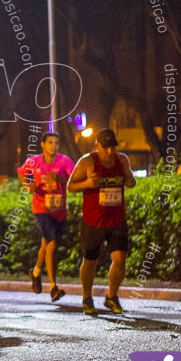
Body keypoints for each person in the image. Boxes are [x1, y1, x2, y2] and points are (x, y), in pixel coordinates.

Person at [66, 128, 135, 315]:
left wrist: (130, 180)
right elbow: (70, 186)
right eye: (105, 148)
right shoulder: (87, 161)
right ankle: (87, 297)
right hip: (93, 221)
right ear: (97, 145)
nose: (109, 151)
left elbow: (131, 181)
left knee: (120, 259)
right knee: (90, 261)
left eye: (112, 147)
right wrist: (88, 184)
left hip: (117, 219)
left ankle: (111, 296)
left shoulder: (122, 160)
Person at [18, 132, 75, 301]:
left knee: (46, 242)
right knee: (52, 244)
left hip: (59, 210)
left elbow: (74, 179)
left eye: (56, 143)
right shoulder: (33, 161)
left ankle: (35, 272)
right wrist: (29, 185)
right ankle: (53, 287)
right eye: (50, 143)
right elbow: (22, 173)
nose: (54, 146)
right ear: (43, 144)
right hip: (41, 208)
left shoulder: (65, 161)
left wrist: (61, 179)